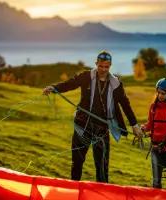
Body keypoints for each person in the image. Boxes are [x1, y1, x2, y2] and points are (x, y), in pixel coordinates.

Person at [43, 50, 143, 183]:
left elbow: (125, 104)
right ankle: (74, 192)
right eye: (101, 66)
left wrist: (134, 125)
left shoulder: (116, 83)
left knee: (102, 168)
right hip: (82, 126)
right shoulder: (86, 76)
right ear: (96, 64)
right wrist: (54, 88)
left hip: (101, 130)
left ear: (110, 66)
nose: (103, 69)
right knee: (77, 163)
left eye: (106, 67)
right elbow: (70, 84)